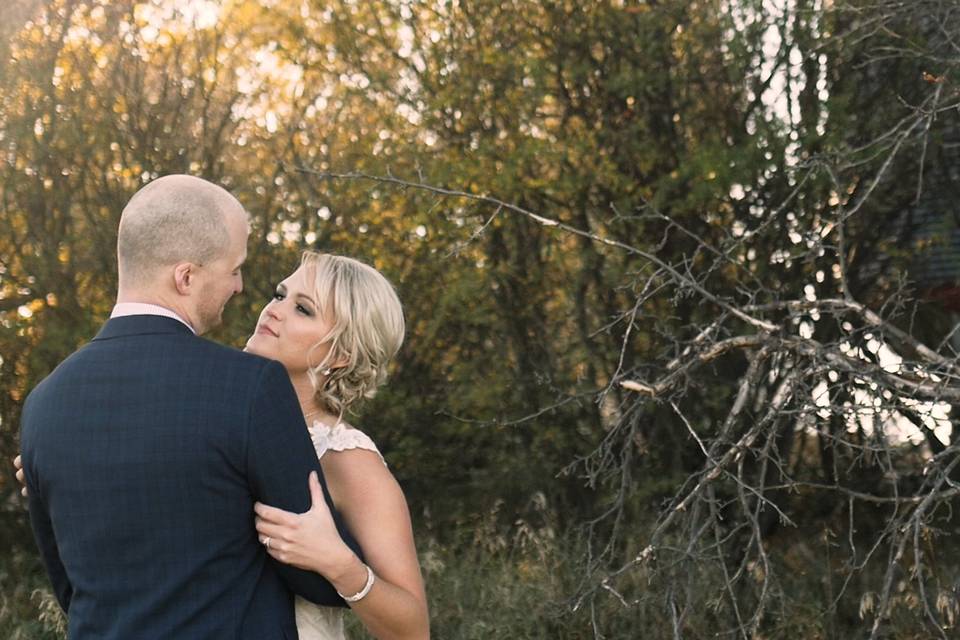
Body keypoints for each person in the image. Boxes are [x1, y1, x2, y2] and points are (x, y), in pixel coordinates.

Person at [18, 174, 362, 639]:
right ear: (186, 277)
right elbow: (320, 580)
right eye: (234, 268)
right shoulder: (250, 386)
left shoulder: (42, 405)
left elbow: (71, 588)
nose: (240, 286)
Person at [245, 252, 429, 639]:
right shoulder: (236, 422)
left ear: (340, 354)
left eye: (303, 309)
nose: (273, 310)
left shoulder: (348, 458)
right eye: (280, 295)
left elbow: (413, 630)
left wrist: (337, 562)